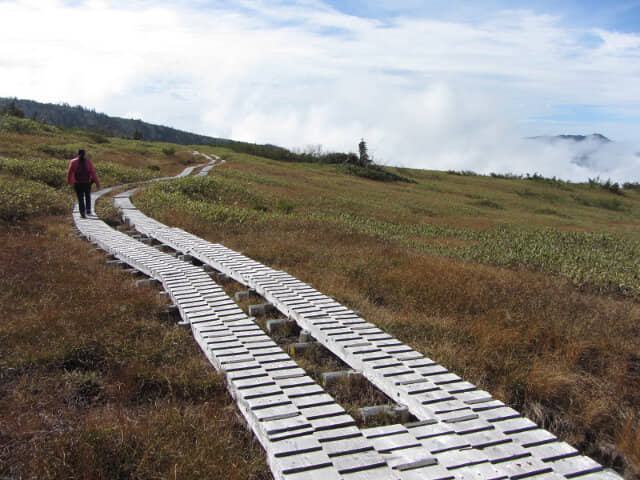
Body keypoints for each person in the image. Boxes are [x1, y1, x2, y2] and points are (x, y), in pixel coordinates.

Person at [67, 149, 100, 218]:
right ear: (84, 154)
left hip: (78, 183)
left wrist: (69, 181)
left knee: (80, 197)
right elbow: (93, 173)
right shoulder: (88, 162)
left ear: (78, 153)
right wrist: (97, 183)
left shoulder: (73, 162)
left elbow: (70, 172)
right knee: (87, 195)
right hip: (87, 182)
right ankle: (88, 210)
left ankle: (82, 212)